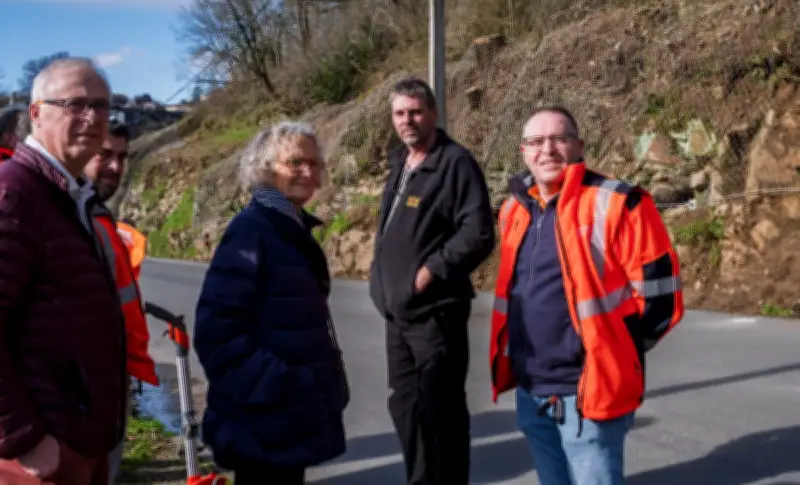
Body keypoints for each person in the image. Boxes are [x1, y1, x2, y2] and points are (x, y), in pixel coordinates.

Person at [489, 106, 685, 485]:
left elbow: (661, 297)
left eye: (559, 139)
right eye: (536, 141)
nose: (547, 149)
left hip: (588, 390)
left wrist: (618, 353)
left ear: (579, 146)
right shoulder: (514, 209)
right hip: (531, 388)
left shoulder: (621, 202)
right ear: (523, 152)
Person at [193, 121, 349, 485]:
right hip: (265, 423)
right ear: (265, 169)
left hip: (285, 422)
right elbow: (216, 334)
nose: (308, 171)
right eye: (295, 162)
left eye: (314, 163)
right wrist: (282, 385)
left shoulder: (288, 227)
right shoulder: (253, 229)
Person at [0, 58, 128, 484]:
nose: (92, 117)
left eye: (102, 105)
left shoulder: (71, 197)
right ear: (36, 113)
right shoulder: (14, 193)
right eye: (75, 104)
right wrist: (24, 439)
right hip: (40, 458)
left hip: (80, 442)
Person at [369, 78, 495, 485]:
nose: (407, 120)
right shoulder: (400, 163)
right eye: (399, 113)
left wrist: (431, 271)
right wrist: (379, 282)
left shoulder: (454, 163)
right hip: (398, 317)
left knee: (440, 413)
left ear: (433, 114)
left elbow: (477, 233)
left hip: (435, 315)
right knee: (406, 409)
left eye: (415, 112)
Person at [83, 122, 159, 484]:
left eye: (122, 157)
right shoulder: (61, 215)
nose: (115, 166)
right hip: (73, 398)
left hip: (108, 385)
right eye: (104, 154)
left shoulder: (99, 218)